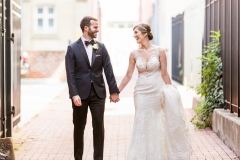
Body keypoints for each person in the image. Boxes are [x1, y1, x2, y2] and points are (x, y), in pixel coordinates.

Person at [118, 23, 192, 159]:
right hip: (140, 92)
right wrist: (117, 91)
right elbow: (128, 75)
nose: (134, 35)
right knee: (141, 120)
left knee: (156, 120)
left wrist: (171, 90)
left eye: (136, 33)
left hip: (156, 91)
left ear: (145, 33)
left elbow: (164, 73)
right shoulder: (133, 54)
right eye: (134, 33)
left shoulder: (160, 51)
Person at [65, 16, 120, 160]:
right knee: (79, 127)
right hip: (79, 95)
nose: (98, 29)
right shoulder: (72, 48)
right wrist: (74, 94)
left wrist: (114, 91)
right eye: (95, 27)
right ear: (86, 28)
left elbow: (108, 69)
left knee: (99, 127)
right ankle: (78, 158)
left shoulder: (100, 47)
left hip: (98, 93)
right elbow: (70, 74)